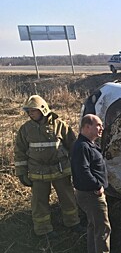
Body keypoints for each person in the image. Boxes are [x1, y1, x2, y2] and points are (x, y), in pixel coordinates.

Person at [14, 95, 80, 237]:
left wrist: (77, 167)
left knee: (68, 198)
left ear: (43, 110)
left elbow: (73, 146)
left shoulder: (60, 125)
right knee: (39, 202)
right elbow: (19, 152)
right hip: (38, 172)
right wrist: (21, 172)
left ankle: (73, 223)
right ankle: (43, 230)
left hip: (60, 170)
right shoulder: (25, 129)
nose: (30, 114)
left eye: (33, 110)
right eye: (29, 111)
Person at [71, 114, 118, 253]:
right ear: (87, 127)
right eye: (98, 125)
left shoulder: (88, 145)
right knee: (103, 227)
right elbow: (83, 170)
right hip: (91, 194)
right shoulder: (82, 147)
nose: (101, 128)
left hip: (88, 192)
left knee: (93, 224)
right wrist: (97, 185)